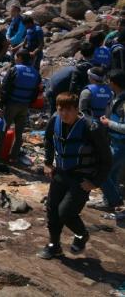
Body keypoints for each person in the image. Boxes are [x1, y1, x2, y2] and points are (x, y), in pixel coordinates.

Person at [38, 93, 111, 259]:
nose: (64, 113)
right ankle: (54, 245)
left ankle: (81, 235)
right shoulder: (54, 120)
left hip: (81, 178)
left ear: (76, 109)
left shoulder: (91, 127)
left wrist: (95, 182)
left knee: (66, 212)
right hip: (61, 173)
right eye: (60, 109)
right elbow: (49, 140)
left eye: (68, 110)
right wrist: (48, 162)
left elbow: (106, 158)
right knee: (52, 210)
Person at [0, 49, 41, 165]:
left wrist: (2, 105)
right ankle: (13, 157)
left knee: (3, 131)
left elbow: (5, 88)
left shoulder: (15, 69)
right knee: (19, 133)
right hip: (24, 106)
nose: (15, 59)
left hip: (11, 105)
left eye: (16, 57)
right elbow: (36, 92)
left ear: (20, 57)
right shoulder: (36, 73)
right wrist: (28, 103)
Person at [96, 69, 125, 211]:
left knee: (101, 171)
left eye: (109, 81)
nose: (107, 84)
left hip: (122, 144)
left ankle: (114, 201)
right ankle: (108, 201)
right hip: (115, 141)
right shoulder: (116, 96)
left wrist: (108, 123)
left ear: (114, 83)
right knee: (112, 173)